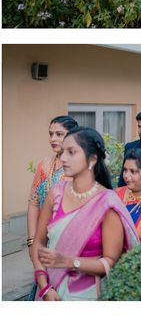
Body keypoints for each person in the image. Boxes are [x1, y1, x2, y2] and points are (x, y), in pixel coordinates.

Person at [31, 128, 138, 301]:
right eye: (63, 152)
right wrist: (44, 286)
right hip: (48, 291)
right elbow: (38, 243)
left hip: (85, 296)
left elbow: (110, 261)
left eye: (71, 152)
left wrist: (67, 261)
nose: (63, 158)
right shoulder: (56, 192)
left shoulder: (106, 203)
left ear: (92, 159)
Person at [27, 115, 78, 299]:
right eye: (50, 134)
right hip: (43, 240)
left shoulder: (79, 167)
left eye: (59, 134)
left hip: (68, 243)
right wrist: (32, 241)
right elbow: (33, 201)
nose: (52, 139)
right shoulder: (45, 164)